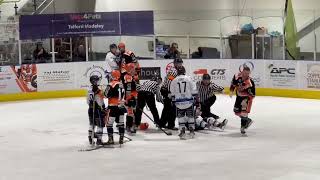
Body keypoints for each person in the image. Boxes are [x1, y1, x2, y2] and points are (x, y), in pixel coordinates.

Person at [170, 66, 197, 140]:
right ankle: (191, 130)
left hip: (179, 103)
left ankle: (182, 130)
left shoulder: (174, 80)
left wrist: (173, 100)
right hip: (188, 101)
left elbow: (172, 92)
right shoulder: (189, 78)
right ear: (184, 71)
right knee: (190, 116)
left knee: (180, 117)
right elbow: (194, 89)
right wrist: (195, 98)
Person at [230, 66, 256, 134]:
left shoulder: (250, 82)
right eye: (245, 73)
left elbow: (253, 94)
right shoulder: (236, 76)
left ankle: (243, 127)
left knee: (244, 112)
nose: (246, 75)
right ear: (242, 72)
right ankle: (248, 120)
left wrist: (247, 99)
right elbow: (233, 84)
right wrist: (231, 91)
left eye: (248, 74)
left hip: (247, 98)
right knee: (236, 111)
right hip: (238, 97)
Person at [159, 57, 184, 130]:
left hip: (167, 90)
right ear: (175, 63)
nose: (180, 64)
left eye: (181, 63)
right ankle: (169, 125)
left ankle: (162, 123)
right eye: (178, 63)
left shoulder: (177, 70)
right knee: (172, 108)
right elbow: (170, 82)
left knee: (168, 108)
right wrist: (170, 93)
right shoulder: (173, 71)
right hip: (167, 91)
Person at [104, 70, 126, 145]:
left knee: (109, 124)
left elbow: (106, 94)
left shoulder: (110, 84)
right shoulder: (121, 84)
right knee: (121, 123)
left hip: (113, 107)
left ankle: (111, 140)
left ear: (113, 75)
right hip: (121, 107)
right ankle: (121, 139)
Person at [87, 75, 106, 145]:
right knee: (100, 125)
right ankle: (99, 139)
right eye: (97, 80)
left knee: (92, 124)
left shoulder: (89, 89)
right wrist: (103, 108)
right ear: (94, 81)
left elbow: (88, 101)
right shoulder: (98, 91)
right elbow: (100, 102)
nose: (98, 81)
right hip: (98, 110)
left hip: (90, 109)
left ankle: (90, 137)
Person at [123, 63, 139, 134]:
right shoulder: (128, 77)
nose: (134, 70)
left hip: (133, 96)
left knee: (133, 112)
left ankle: (131, 125)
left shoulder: (132, 76)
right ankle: (129, 126)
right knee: (130, 113)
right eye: (133, 68)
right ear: (129, 69)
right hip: (130, 97)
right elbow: (128, 89)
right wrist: (129, 99)